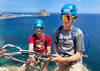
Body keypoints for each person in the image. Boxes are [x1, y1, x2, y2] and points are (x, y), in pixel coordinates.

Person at [51, 4, 84, 71]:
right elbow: (55, 45)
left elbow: (78, 55)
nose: (65, 20)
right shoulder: (57, 32)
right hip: (62, 62)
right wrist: (57, 55)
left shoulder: (78, 33)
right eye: (63, 17)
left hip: (74, 63)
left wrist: (63, 59)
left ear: (74, 18)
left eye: (68, 17)